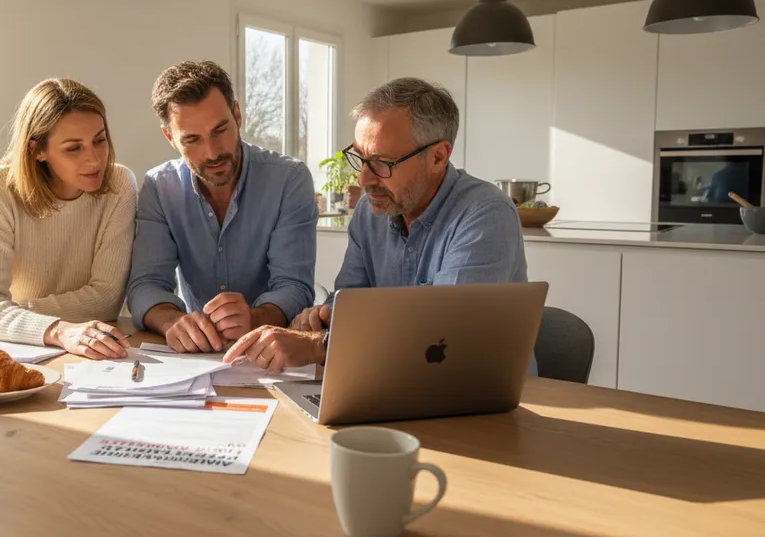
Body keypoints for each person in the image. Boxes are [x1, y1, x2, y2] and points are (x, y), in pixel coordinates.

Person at [225, 77, 527, 371]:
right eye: (360, 158)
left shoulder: (485, 214)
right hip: (390, 384)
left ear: (438, 157)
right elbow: (351, 302)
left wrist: (319, 345)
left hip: (486, 399)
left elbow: (445, 336)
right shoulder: (371, 214)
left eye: (382, 163)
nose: (363, 180)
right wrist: (322, 317)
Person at [126, 60, 317, 353]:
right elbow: (145, 285)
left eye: (220, 130)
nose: (212, 152)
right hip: (196, 357)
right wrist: (172, 322)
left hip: (273, 352)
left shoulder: (289, 179)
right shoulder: (159, 187)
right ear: (170, 138)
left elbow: (294, 286)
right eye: (192, 139)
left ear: (237, 115)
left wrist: (254, 318)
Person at [0, 78, 137, 360]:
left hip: (90, 350)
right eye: (73, 148)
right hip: (22, 351)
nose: (95, 160)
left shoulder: (120, 184)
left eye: (100, 140)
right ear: (36, 150)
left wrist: (3, 312)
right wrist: (57, 330)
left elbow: (105, 300)